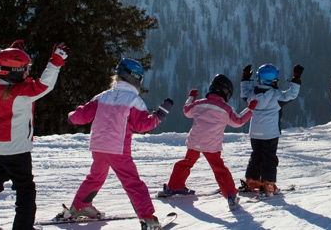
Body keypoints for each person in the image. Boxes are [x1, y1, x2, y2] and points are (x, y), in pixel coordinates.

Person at [0, 40, 68, 230]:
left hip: (0, 147)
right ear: (15, 72)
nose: (28, 73)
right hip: (17, 149)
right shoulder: (20, 93)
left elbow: (9, 74)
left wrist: (15, 54)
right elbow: (44, 85)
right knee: (25, 189)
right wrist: (55, 62)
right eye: (25, 69)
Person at [60, 59, 173, 230]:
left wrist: (71, 116)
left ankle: (80, 206)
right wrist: (159, 115)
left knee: (95, 177)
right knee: (133, 183)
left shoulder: (102, 96)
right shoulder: (134, 100)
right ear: (137, 80)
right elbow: (142, 125)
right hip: (118, 150)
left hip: (98, 148)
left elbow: (82, 115)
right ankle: (148, 219)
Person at [161, 74, 258, 210]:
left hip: (195, 141)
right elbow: (238, 121)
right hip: (212, 145)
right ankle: (230, 194)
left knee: (186, 163)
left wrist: (191, 97)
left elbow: (187, 111)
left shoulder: (200, 103)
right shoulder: (226, 109)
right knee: (219, 169)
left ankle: (174, 186)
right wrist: (250, 109)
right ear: (227, 93)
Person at [239, 62, 303, 195]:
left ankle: (252, 181)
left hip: (255, 132)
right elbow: (291, 95)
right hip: (270, 133)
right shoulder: (276, 96)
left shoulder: (251, 95)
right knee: (269, 157)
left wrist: (245, 79)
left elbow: (243, 93)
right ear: (274, 80)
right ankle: (267, 184)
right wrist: (296, 79)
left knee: (256, 155)